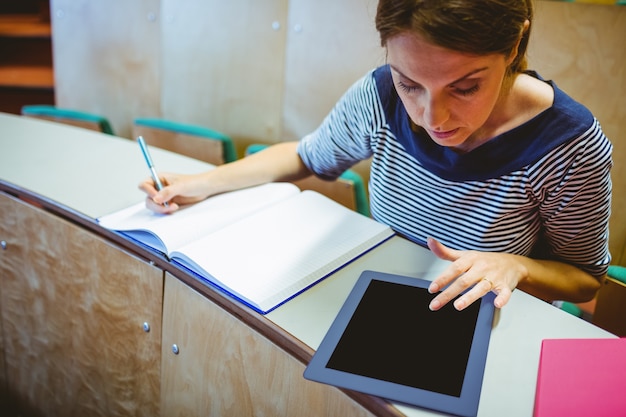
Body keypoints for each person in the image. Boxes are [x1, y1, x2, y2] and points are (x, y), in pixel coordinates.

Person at [139, 0, 612, 312]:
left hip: (480, 321)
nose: (433, 116)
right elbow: (305, 156)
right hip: (378, 299)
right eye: (410, 83)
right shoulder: (381, 96)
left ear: (513, 47)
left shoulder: (569, 145)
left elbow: (585, 280)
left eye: (465, 87)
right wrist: (200, 184)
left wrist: (517, 266)